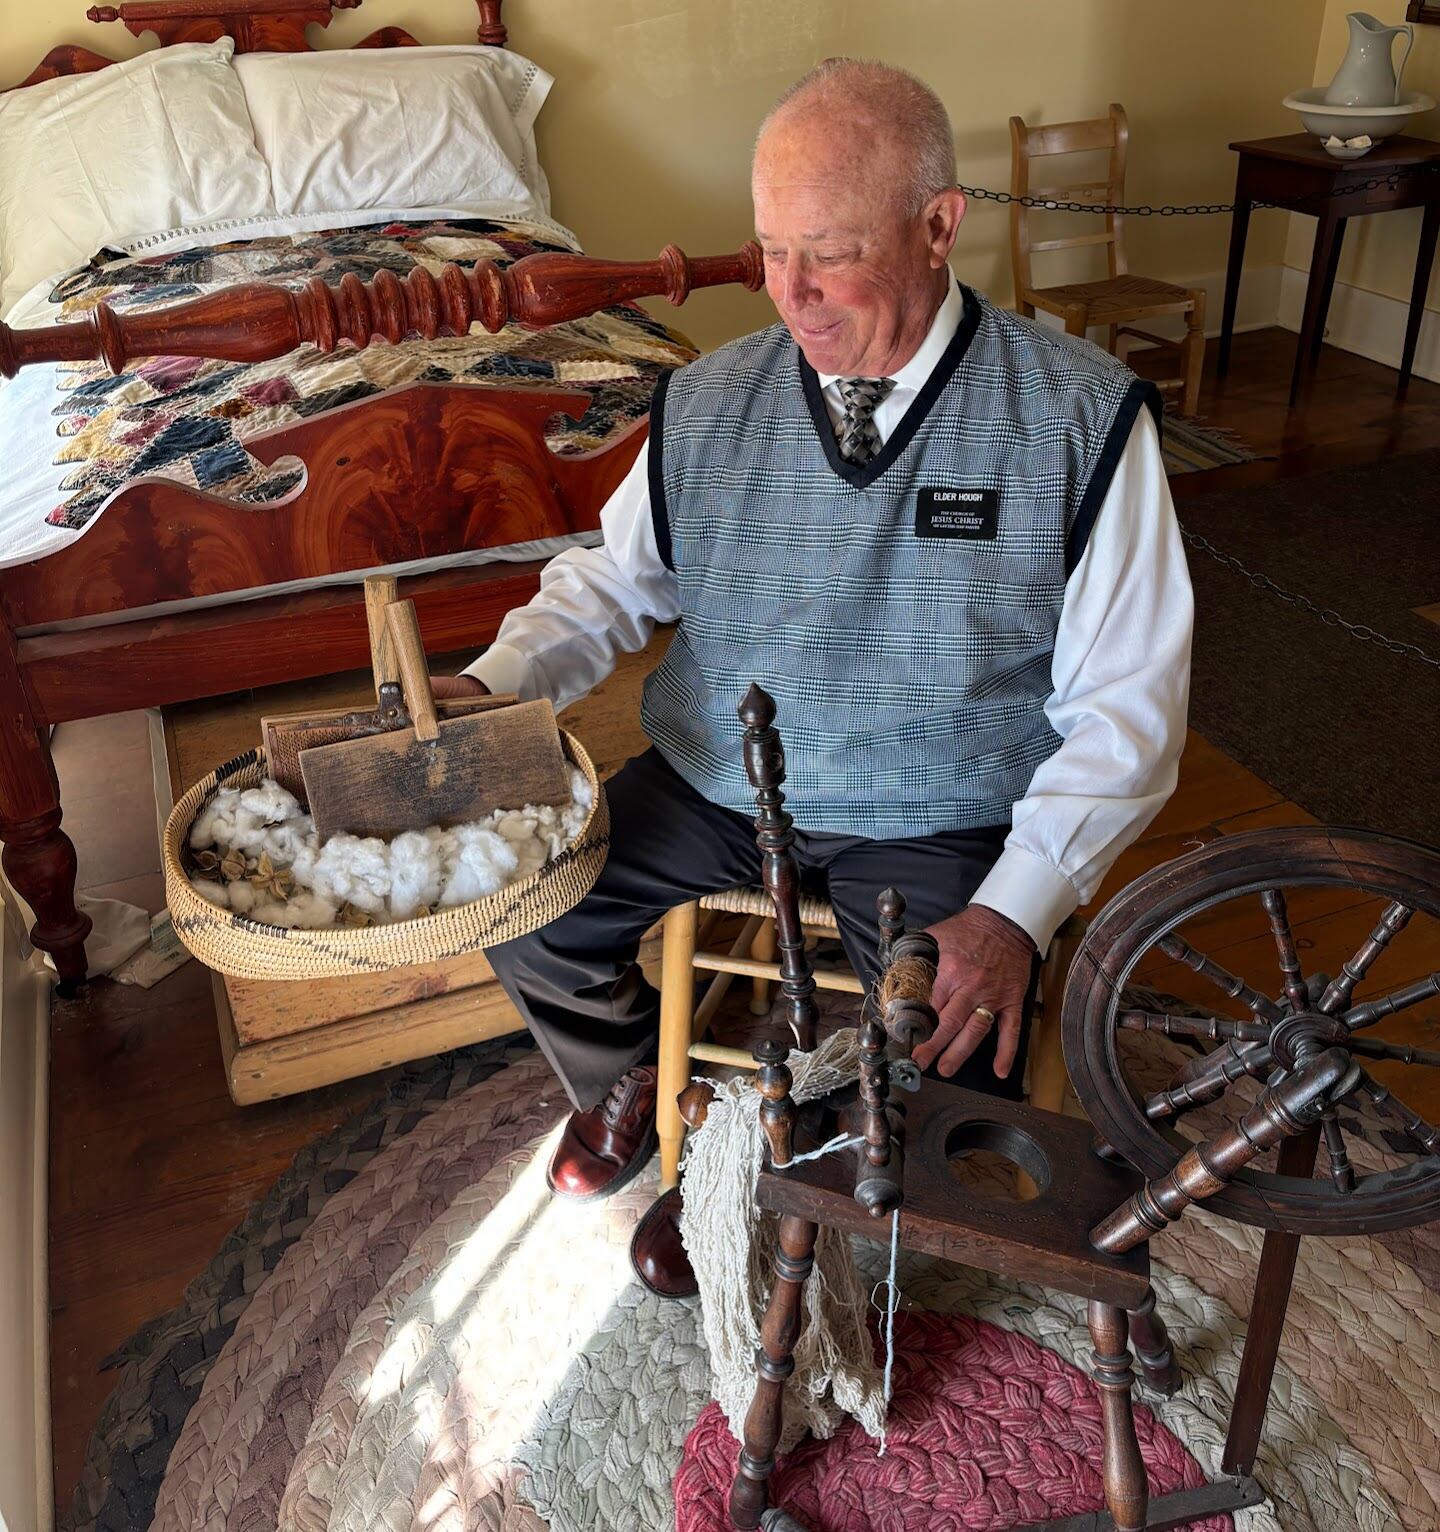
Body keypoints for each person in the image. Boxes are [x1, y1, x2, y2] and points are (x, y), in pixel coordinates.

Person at [435, 59, 1193, 1297]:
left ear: (940, 224)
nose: (790, 292)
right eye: (769, 249)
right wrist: (499, 679)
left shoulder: (1076, 416)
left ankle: (754, 1174)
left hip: (942, 809)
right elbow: (613, 584)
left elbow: (1133, 708)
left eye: (830, 252)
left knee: (958, 1072)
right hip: (716, 785)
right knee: (518, 898)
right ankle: (634, 1078)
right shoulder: (710, 398)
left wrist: (1015, 908)